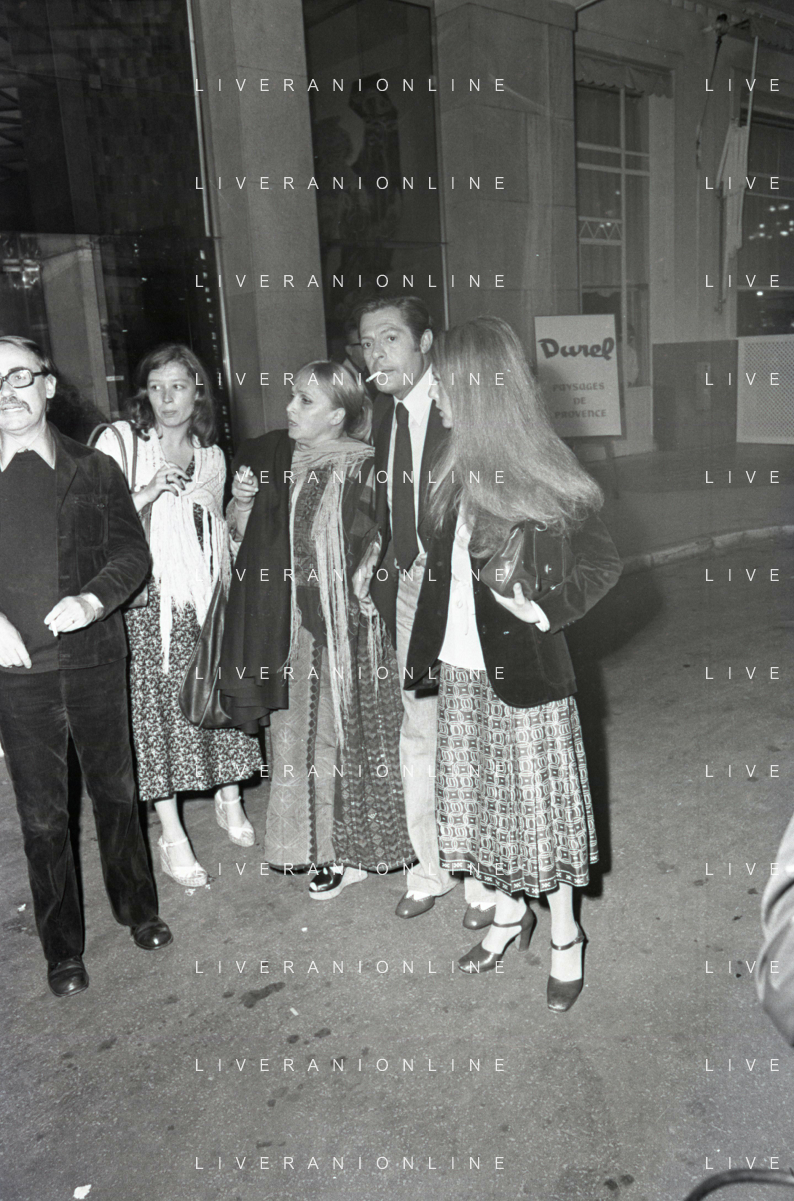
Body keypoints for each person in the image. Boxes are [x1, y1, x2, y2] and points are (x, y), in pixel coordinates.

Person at [404, 316, 622, 1010]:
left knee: (538, 813)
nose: (435, 396)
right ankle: (506, 914)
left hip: (524, 675)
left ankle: (565, 935)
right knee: (478, 805)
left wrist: (546, 611)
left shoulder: (538, 468)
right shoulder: (450, 466)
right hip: (461, 669)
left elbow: (604, 564)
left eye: (443, 385)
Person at [0, 335, 172, 997]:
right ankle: (62, 949)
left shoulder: (93, 468)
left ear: (48, 385)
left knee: (116, 794)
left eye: (20, 376)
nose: (7, 392)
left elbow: (131, 554)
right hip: (20, 680)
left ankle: (138, 908)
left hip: (95, 659)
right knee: (44, 819)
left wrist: (93, 599)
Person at [219, 361, 414, 898]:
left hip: (348, 627)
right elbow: (249, 542)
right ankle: (302, 846)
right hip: (289, 624)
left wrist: (359, 586)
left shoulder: (366, 466)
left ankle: (342, 850)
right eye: (292, 396)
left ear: (337, 415)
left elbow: (382, 543)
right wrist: (243, 502)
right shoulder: (278, 462)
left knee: (343, 738)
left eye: (305, 401)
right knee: (293, 737)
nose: (290, 408)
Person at [95, 344, 262, 888]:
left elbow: (227, 536)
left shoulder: (211, 457)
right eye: (156, 387)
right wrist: (146, 493)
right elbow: (90, 521)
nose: (166, 399)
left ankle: (230, 797)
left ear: (198, 391)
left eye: (178, 386)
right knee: (157, 715)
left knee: (217, 692)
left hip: (206, 600)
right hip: (147, 604)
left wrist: (241, 503)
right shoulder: (121, 442)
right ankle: (172, 835)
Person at [353, 296, 495, 924]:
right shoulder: (383, 416)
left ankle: (485, 882)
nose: (376, 353)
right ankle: (429, 867)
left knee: (470, 731)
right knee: (420, 729)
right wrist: (375, 553)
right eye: (367, 343)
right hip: (409, 588)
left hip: (462, 593)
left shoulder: (460, 405)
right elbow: (390, 506)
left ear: (426, 342)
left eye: (390, 338)